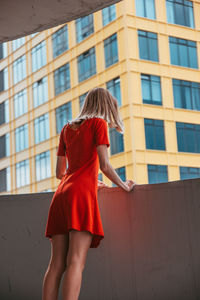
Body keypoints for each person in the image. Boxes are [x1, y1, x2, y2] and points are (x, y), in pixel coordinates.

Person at [42, 87, 137, 300]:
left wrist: (88, 179)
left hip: (61, 195)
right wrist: (124, 185)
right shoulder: (98, 124)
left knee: (56, 264)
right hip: (81, 196)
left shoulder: (66, 128)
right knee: (75, 261)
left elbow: (60, 173)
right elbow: (104, 165)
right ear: (106, 106)